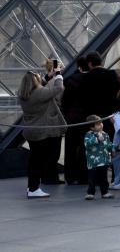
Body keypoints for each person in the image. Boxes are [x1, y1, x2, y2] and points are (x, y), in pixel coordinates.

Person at [18, 66, 65, 198]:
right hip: (40, 132)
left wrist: (48, 76)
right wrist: (58, 75)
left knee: (34, 159)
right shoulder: (39, 93)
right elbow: (58, 88)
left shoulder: (22, 94)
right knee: (38, 161)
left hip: (30, 131)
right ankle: (34, 189)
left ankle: (31, 187)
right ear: (35, 81)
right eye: (37, 76)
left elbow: (39, 89)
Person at [62, 56, 89, 185]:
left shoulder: (70, 80)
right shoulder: (92, 79)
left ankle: (70, 176)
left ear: (79, 67)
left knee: (70, 148)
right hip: (87, 119)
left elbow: (65, 101)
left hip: (72, 119)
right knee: (85, 147)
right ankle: (84, 176)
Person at [82, 52, 120, 138]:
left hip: (93, 118)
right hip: (110, 116)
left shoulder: (86, 77)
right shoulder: (112, 74)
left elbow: (83, 99)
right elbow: (118, 94)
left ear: (90, 64)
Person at [84, 114, 114, 200]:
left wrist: (114, 148)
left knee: (104, 178)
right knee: (92, 178)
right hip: (93, 162)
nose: (101, 125)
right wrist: (97, 139)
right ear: (92, 127)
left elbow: (108, 144)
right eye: (98, 124)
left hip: (104, 161)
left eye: (101, 123)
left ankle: (105, 192)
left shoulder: (105, 134)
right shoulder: (89, 134)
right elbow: (87, 144)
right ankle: (90, 193)